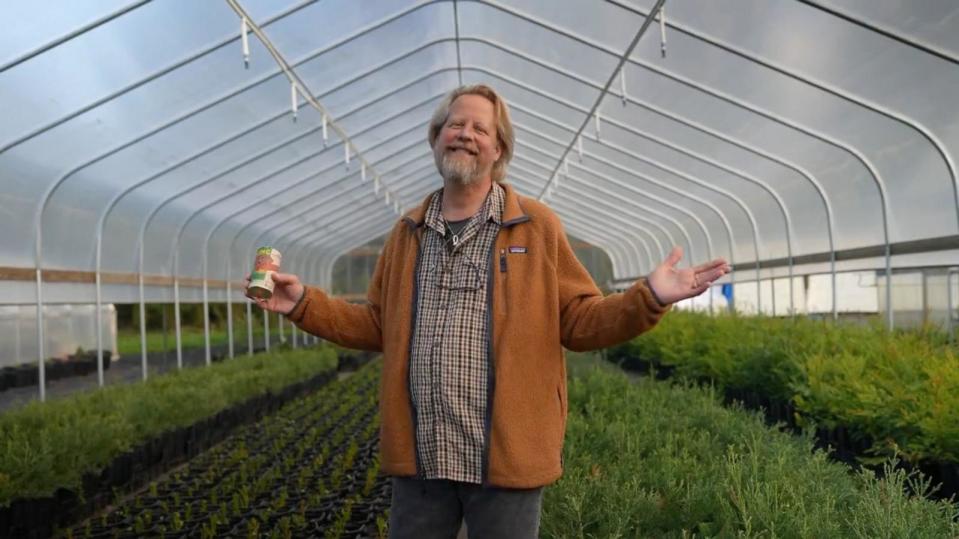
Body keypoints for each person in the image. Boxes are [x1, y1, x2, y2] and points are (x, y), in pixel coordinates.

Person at [248, 84, 729, 538]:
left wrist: (649, 296)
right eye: (454, 125)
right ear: (436, 140)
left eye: (481, 129)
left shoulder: (535, 227)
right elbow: (377, 323)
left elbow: (581, 321)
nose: (465, 135)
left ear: (499, 150)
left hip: (505, 459)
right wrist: (303, 304)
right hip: (422, 458)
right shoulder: (407, 233)